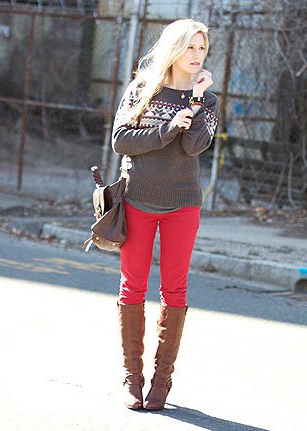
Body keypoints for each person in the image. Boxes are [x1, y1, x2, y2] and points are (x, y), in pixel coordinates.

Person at [111, 18, 219, 411]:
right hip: (138, 199)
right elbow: (120, 140)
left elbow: (193, 148)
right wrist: (165, 128)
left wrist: (194, 101)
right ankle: (132, 377)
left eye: (202, 49)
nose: (196, 55)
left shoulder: (206, 99)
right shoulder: (142, 89)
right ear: (174, 49)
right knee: (133, 287)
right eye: (190, 47)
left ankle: (162, 380)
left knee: (174, 290)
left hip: (183, 203)